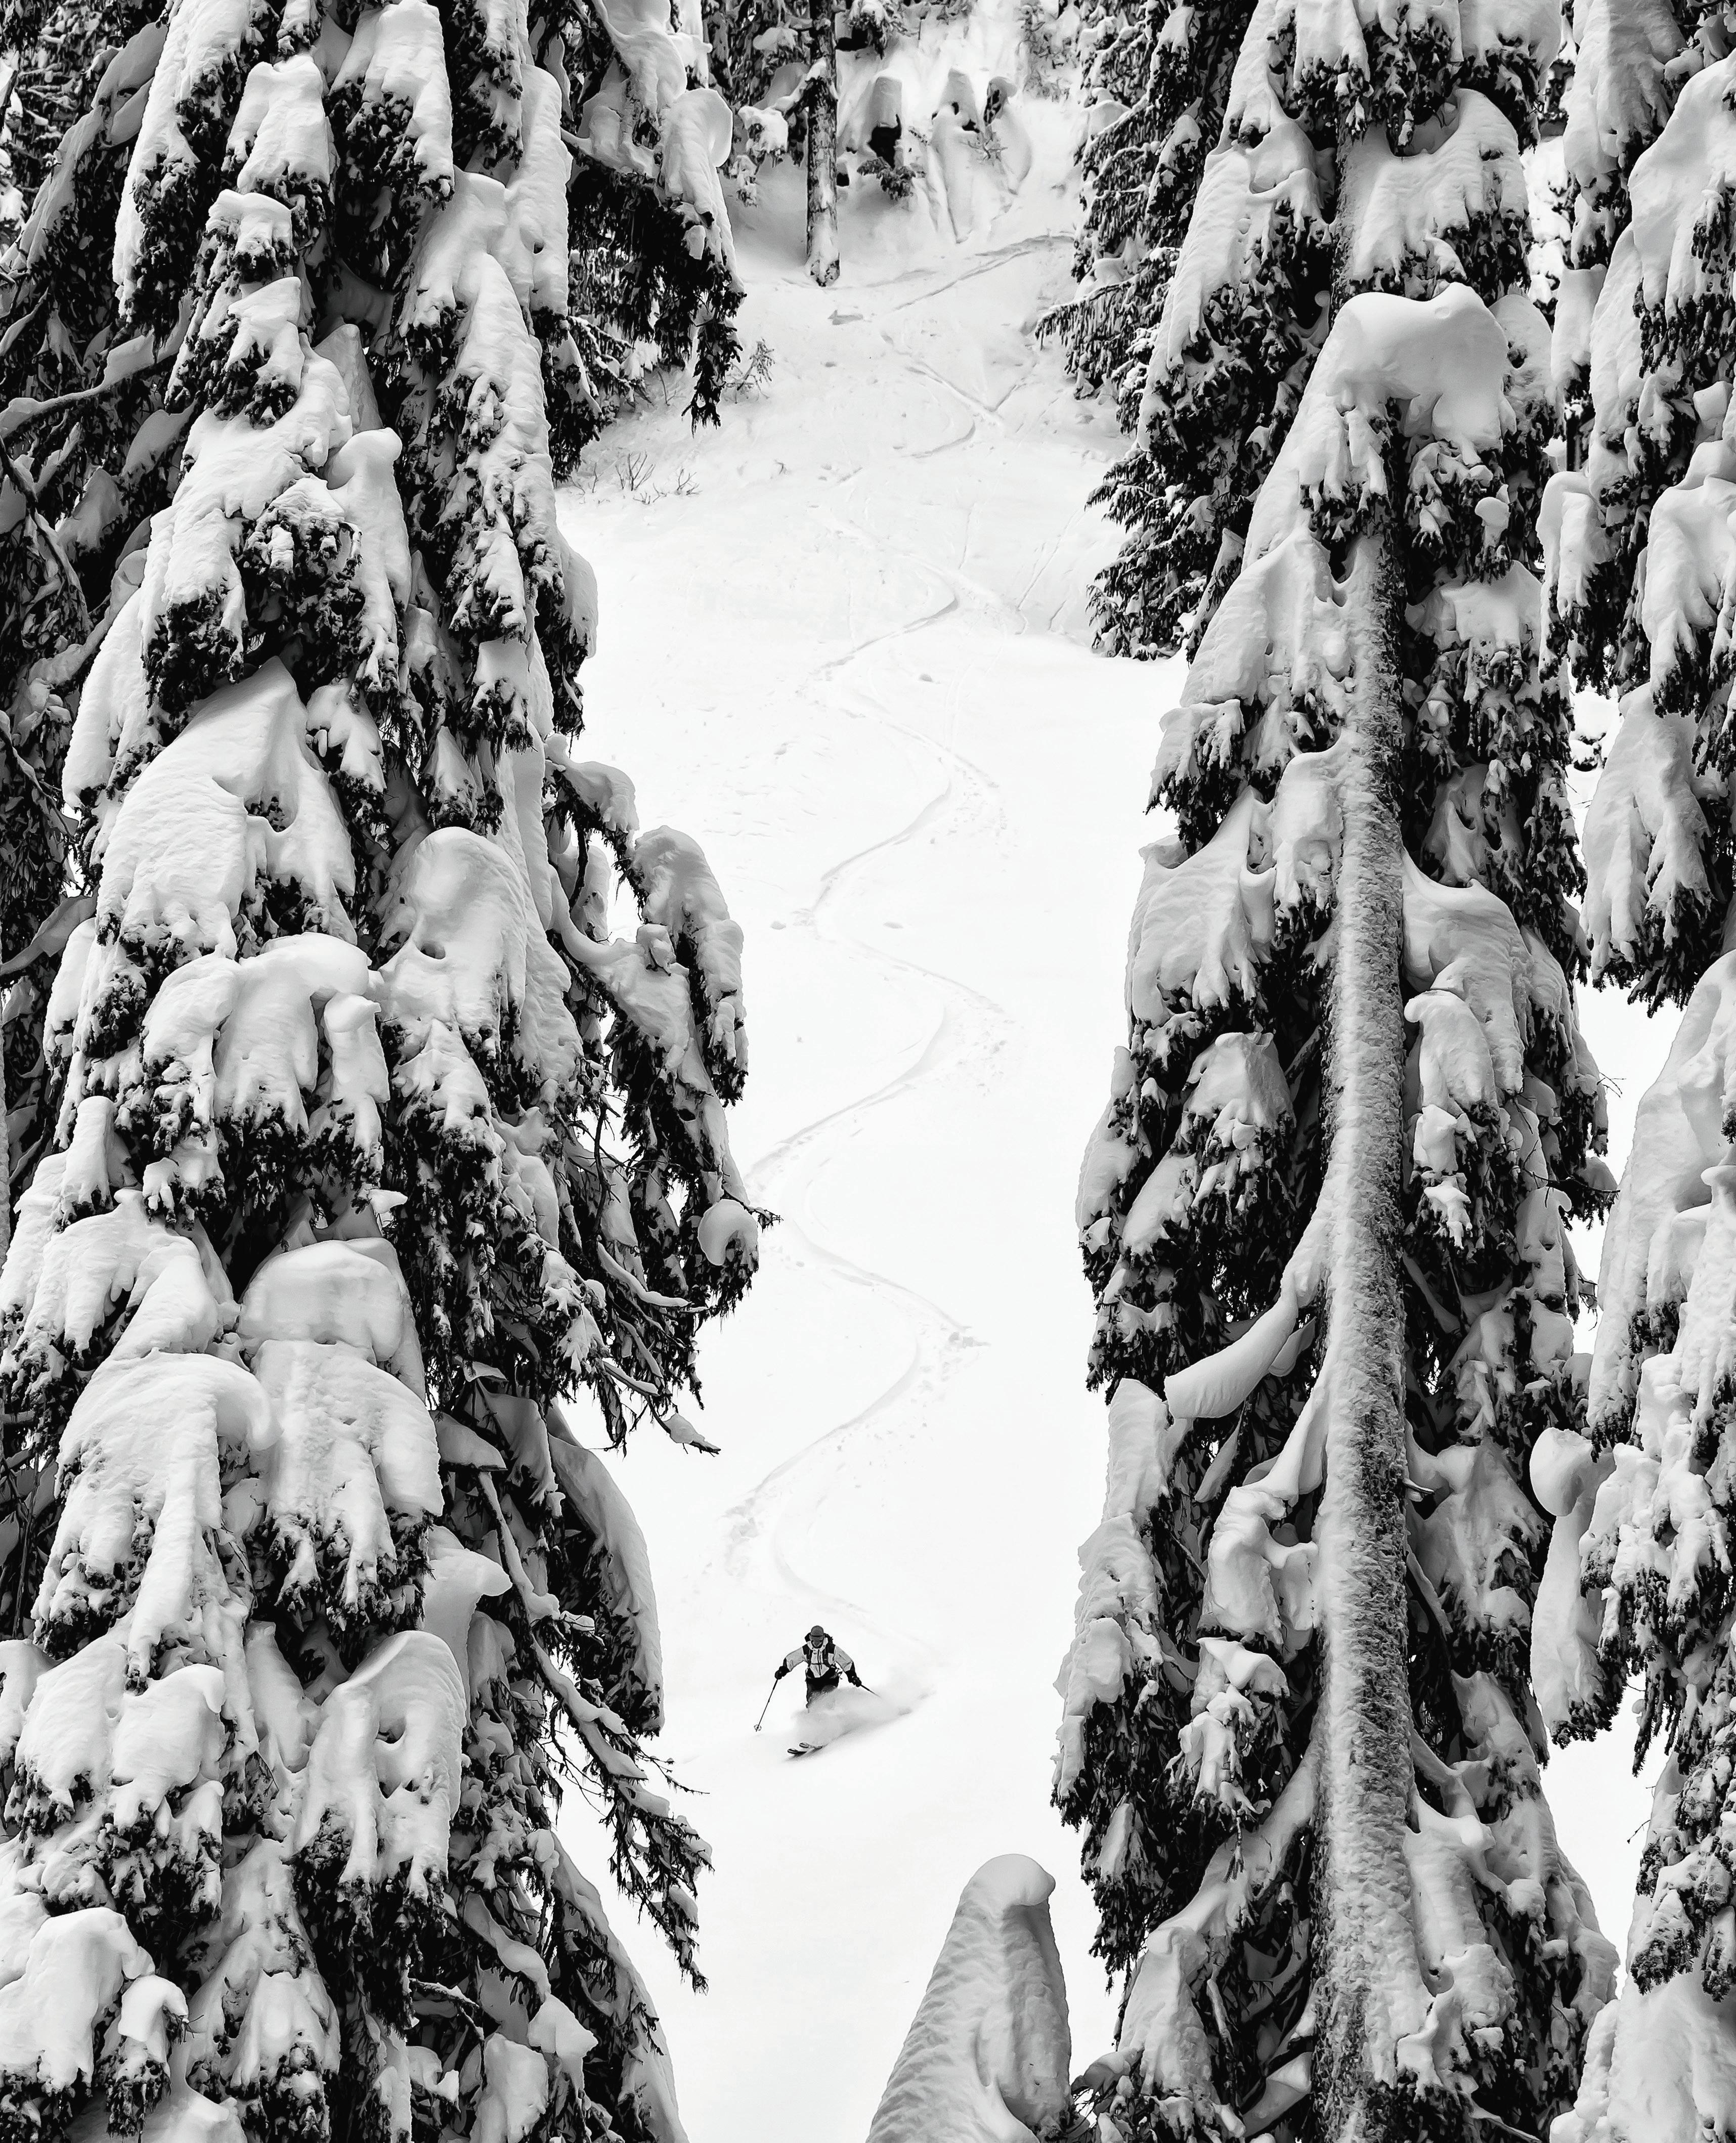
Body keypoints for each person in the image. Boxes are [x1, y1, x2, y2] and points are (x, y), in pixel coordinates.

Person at [775, 1625, 862, 1704]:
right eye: (814, 1641)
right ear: (811, 1638)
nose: (816, 1643)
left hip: (830, 1680)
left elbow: (846, 1662)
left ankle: (830, 1714)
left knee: (827, 1698)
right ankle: (813, 1715)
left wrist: (852, 1676)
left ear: (823, 1638)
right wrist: (783, 1670)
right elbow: (792, 1659)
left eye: (819, 1641)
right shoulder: (806, 1650)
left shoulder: (832, 1649)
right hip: (813, 1681)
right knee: (813, 1701)